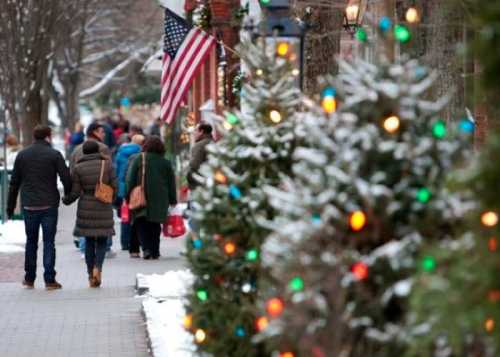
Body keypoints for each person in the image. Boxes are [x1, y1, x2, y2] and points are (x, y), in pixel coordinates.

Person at [7, 125, 71, 290]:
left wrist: (10, 206)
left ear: (34, 137)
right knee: (49, 242)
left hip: (29, 205)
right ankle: (49, 279)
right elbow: (66, 177)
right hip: (49, 204)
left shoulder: (22, 155)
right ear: (48, 136)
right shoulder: (54, 154)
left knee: (31, 242)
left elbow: (14, 183)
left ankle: (29, 278)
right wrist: (68, 195)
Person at [63, 141, 117, 287]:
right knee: (101, 241)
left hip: (85, 206)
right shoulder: (107, 165)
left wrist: (66, 200)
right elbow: (115, 186)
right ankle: (98, 268)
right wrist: (111, 198)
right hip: (103, 205)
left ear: (85, 152)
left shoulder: (79, 168)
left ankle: (90, 275)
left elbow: (75, 191)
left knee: (88, 242)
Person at [126, 136, 177, 260]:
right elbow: (171, 183)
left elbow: (130, 178)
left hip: (142, 196)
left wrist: (127, 195)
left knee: (141, 223)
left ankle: (146, 249)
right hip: (160, 198)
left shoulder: (140, 158)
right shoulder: (165, 162)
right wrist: (172, 199)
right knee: (155, 225)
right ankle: (155, 250)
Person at [70, 122, 114, 257]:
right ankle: (105, 247)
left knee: (85, 220)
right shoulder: (104, 148)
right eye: (102, 131)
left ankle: (84, 247)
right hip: (102, 190)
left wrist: (73, 189)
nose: (104, 134)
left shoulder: (77, 149)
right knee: (104, 220)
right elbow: (109, 170)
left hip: (84, 189)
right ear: (94, 132)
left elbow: (72, 170)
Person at [114, 134, 145, 252]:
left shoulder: (120, 152)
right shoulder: (140, 154)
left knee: (125, 216)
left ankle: (125, 242)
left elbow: (116, 170)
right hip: (137, 187)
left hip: (122, 186)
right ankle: (139, 241)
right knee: (138, 215)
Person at [186, 123, 213, 190]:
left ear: (201, 132)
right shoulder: (214, 143)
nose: (194, 133)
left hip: (199, 184)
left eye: (196, 131)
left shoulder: (199, 146)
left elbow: (194, 165)